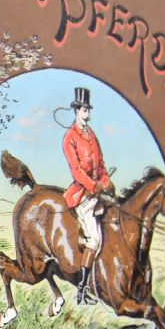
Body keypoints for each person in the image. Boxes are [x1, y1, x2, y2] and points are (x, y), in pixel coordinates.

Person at [62, 86, 112, 302]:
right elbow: (76, 170)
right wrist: (93, 186)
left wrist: (106, 182)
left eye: (88, 110)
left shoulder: (92, 135)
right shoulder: (69, 138)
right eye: (84, 110)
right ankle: (82, 289)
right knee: (94, 239)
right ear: (76, 111)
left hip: (98, 190)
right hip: (82, 194)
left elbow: (101, 164)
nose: (87, 114)